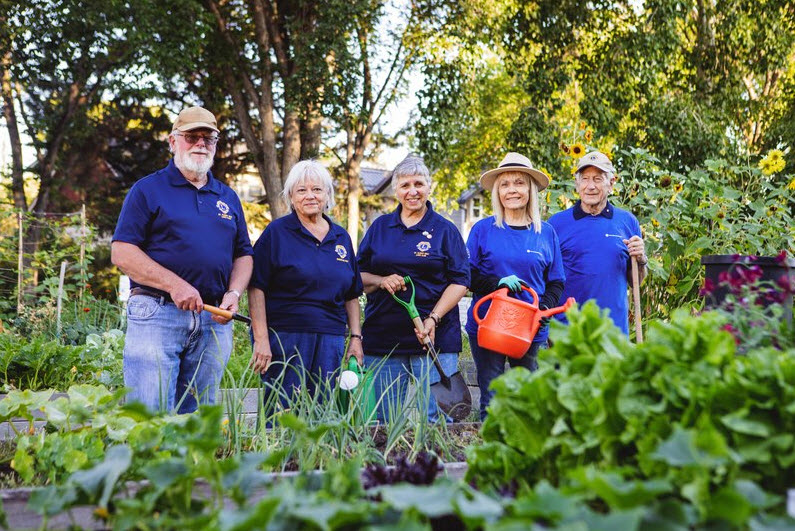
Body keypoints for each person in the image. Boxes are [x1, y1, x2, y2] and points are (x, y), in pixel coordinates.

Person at [112, 106, 253, 413]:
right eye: (192, 136)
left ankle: (192, 464)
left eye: (208, 138)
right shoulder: (148, 190)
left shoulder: (227, 197)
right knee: (149, 415)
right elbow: (122, 252)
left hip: (213, 319)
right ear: (173, 142)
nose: (200, 144)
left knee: (199, 419)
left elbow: (243, 254)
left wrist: (233, 293)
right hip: (157, 312)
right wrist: (174, 285)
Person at [358, 155, 470, 423]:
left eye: (418, 184)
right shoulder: (380, 228)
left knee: (437, 422)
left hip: (434, 341)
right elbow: (357, 276)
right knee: (384, 422)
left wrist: (433, 318)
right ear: (396, 190)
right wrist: (381, 281)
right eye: (405, 185)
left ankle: (443, 467)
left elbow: (460, 282)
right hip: (383, 340)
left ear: (429, 187)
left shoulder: (445, 231)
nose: (412, 191)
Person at [248, 160, 363, 409]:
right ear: (291, 196)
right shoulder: (277, 233)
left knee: (322, 410)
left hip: (331, 338)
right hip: (286, 337)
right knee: (282, 411)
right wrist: (261, 339)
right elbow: (256, 287)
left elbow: (352, 294)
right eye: (301, 190)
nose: (310, 196)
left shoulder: (341, 237)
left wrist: (355, 337)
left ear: (327, 195)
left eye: (317, 189)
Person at [466, 152, 565, 420]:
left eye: (519, 183)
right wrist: (496, 284)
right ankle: (491, 451)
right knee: (492, 395)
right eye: (506, 184)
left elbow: (556, 281)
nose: (512, 190)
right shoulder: (483, 230)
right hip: (489, 326)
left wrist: (543, 308)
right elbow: (467, 275)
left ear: (530, 190)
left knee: (528, 396)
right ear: (498, 191)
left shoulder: (545, 233)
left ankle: (524, 454)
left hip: (529, 329)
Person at [548, 150, 647, 335]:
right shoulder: (556, 224)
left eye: (598, 179)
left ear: (611, 183)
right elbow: (546, 279)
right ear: (577, 184)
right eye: (585, 179)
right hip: (568, 331)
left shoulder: (627, 222)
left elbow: (636, 281)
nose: (590, 186)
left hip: (613, 332)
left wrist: (641, 260)